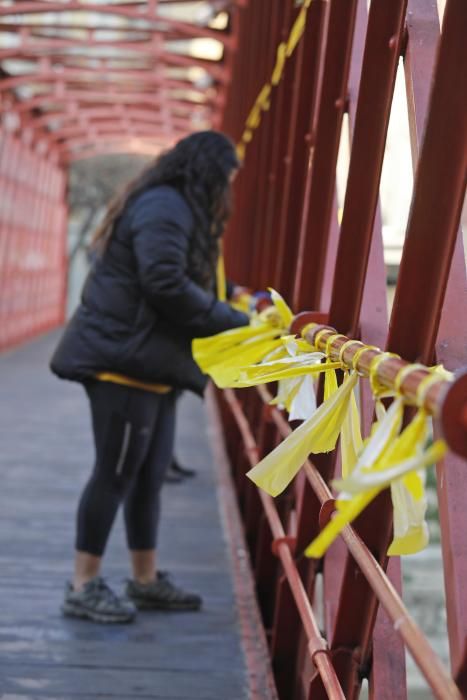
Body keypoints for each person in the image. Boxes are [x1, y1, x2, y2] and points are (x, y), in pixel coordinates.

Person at [50, 130, 250, 623]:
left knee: (148, 479)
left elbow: (184, 275)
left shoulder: (174, 207)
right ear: (206, 170)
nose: (229, 186)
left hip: (149, 363)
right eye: (226, 176)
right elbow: (163, 282)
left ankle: (144, 580)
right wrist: (230, 319)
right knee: (114, 474)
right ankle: (83, 585)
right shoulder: (166, 206)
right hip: (124, 364)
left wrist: (237, 300)